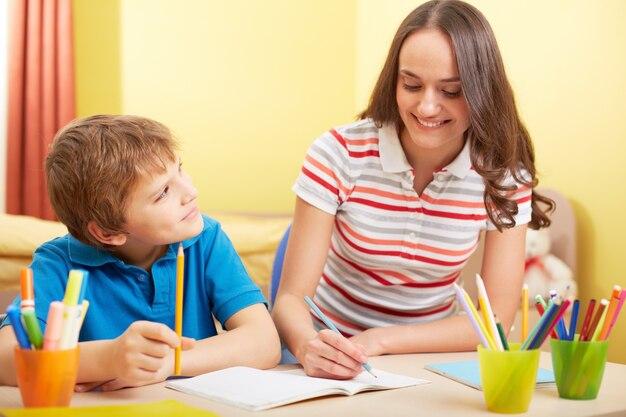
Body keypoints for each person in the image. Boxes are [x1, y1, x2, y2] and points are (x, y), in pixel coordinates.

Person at [271, 0, 554, 380]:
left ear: (482, 91)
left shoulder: (502, 174)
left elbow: (496, 319)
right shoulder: (338, 152)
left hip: (427, 359)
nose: (427, 106)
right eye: (412, 85)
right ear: (394, 81)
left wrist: (381, 340)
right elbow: (289, 300)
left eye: (451, 91)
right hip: (328, 351)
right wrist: (308, 346)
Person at [0, 115, 281, 390]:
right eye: (162, 192)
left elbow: (265, 343)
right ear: (108, 232)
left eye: (180, 169)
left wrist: (167, 362)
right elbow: (4, 358)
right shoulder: (59, 262)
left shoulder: (205, 239)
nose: (190, 192)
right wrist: (106, 360)